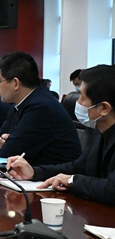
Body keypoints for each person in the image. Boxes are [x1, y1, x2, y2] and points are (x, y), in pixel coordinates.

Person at [7, 65, 115, 206]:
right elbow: (77, 168)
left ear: (104, 108)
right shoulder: (100, 130)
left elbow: (112, 189)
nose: (78, 103)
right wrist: (34, 172)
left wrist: (71, 181)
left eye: (82, 98)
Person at [0, 51, 81, 165]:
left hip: (54, 174)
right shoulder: (19, 105)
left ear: (15, 83)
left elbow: (8, 154)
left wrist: (5, 145)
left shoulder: (41, 108)